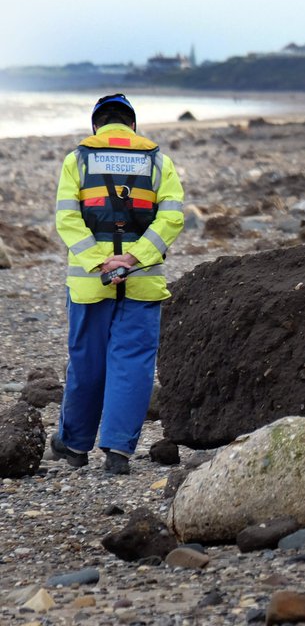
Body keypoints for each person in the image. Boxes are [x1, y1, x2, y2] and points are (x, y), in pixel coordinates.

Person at [50, 94, 185, 474]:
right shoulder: (159, 161)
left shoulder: (77, 160)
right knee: (133, 364)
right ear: (132, 124)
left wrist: (99, 262)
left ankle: (75, 447)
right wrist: (132, 258)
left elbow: (67, 220)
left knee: (86, 363)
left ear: (97, 125)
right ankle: (118, 454)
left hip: (90, 285)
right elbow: (172, 219)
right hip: (141, 283)